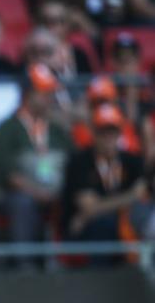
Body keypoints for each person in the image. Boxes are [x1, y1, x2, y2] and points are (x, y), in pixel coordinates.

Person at [0, 64, 72, 245]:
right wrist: (37, 192)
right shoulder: (7, 129)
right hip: (16, 194)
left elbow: (74, 161)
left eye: (50, 93)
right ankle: (26, 265)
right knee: (23, 203)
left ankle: (73, 261)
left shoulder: (56, 130)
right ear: (28, 94)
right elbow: (6, 173)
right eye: (44, 93)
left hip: (55, 189)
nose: (50, 98)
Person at [61, 104, 149, 264]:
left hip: (126, 227)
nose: (109, 137)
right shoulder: (79, 161)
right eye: (103, 132)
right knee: (104, 223)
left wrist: (89, 214)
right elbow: (89, 207)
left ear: (119, 133)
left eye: (113, 131)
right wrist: (130, 197)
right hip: (85, 233)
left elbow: (144, 195)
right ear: (93, 133)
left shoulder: (133, 161)